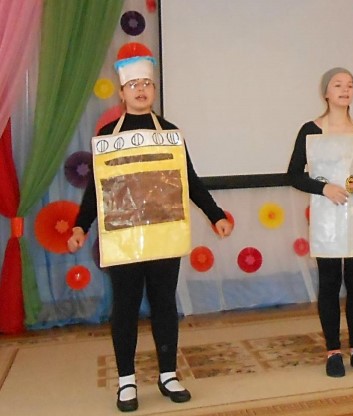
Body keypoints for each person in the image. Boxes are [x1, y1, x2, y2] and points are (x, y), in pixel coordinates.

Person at [68, 45, 233, 412]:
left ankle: (168, 374)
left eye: (147, 84)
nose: (141, 90)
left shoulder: (170, 133)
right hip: (123, 237)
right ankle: (126, 381)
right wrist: (81, 225)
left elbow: (189, 180)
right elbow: (97, 188)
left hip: (164, 233)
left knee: (164, 304)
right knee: (125, 306)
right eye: (134, 85)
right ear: (122, 92)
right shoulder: (108, 135)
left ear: (154, 90)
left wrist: (215, 214)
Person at [287, 67, 353, 377]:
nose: (345, 89)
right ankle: (333, 352)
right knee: (329, 283)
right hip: (327, 216)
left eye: (350, 85)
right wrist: (324, 188)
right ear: (326, 93)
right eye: (338, 85)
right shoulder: (310, 130)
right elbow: (293, 174)